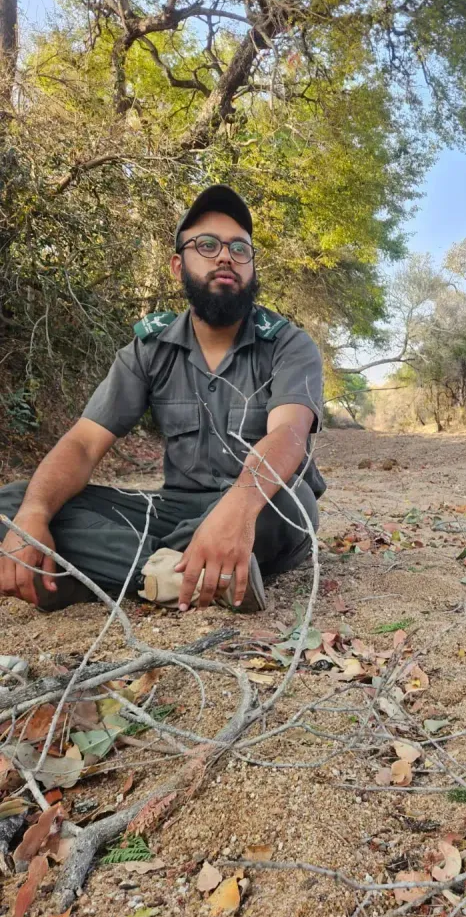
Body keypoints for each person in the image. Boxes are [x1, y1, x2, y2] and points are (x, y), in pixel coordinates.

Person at [0, 185, 324, 613]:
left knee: (293, 500)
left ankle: (99, 573)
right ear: (177, 265)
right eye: (206, 245)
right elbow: (83, 443)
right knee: (14, 505)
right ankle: (171, 576)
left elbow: (289, 431)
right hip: (172, 513)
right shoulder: (148, 349)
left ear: (251, 268)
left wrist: (238, 506)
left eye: (239, 248)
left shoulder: (289, 344)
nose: (225, 256)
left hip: (259, 507)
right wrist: (35, 514)